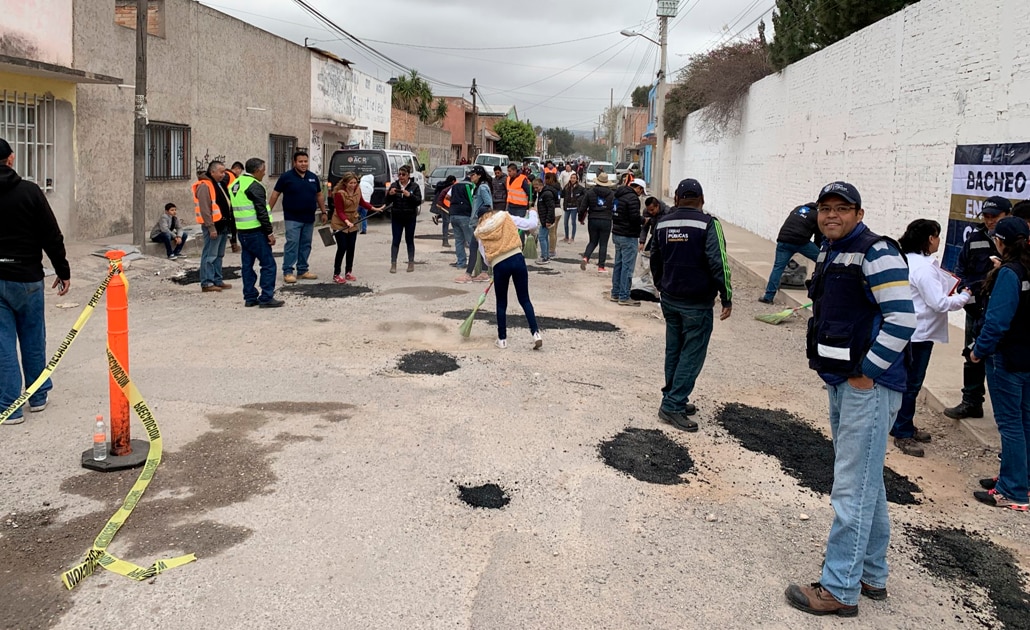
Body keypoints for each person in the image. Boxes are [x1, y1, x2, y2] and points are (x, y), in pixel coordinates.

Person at [785, 181, 915, 618]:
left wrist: (867, 373)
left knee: (850, 488)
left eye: (842, 208)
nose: (832, 215)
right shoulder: (830, 249)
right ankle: (872, 574)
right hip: (842, 380)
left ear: (859, 213)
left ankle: (839, 588)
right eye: (825, 208)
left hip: (868, 387)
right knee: (865, 481)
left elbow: (901, 318)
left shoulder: (876, 251)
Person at [649, 178, 732, 433]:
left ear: (676, 199)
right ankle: (672, 404)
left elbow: (654, 257)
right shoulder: (709, 224)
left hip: (670, 299)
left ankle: (674, 397)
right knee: (691, 354)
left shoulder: (662, 223)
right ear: (702, 200)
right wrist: (726, 296)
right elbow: (719, 262)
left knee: (674, 349)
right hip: (696, 303)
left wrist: (661, 284)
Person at [0, 138, 70, 425]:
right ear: (12, 158)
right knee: (32, 337)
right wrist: (62, 270)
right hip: (27, 277)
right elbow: (51, 235)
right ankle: (38, 396)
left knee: (2, 345)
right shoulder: (30, 192)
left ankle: (9, 407)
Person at [890, 219, 971, 457]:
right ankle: (902, 433)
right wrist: (964, 296)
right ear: (929, 239)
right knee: (911, 385)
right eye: (937, 236)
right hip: (919, 334)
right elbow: (939, 303)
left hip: (908, 329)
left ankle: (903, 425)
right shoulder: (924, 268)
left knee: (906, 383)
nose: (938, 241)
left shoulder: (906, 260)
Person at [969, 216, 1030, 511]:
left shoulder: (1010, 274)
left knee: (1010, 424)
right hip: (1026, 357)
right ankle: (1020, 479)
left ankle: (1012, 490)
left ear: (1001, 242)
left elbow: (997, 321)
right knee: (1025, 421)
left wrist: (979, 351)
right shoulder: (1024, 270)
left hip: (1007, 358)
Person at [945, 196, 1011, 419]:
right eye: (987, 216)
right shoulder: (974, 239)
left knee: (1003, 359)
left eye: (996, 217)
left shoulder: (1014, 241)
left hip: (1002, 310)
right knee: (972, 354)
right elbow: (961, 267)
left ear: (1008, 215)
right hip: (976, 310)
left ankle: (1008, 410)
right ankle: (972, 402)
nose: (990, 221)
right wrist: (965, 290)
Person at [474, 207, 542, 350]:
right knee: (524, 299)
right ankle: (536, 333)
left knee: (501, 303)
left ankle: (502, 340)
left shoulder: (480, 232)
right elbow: (531, 225)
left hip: (499, 264)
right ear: (491, 211)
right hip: (517, 258)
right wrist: (533, 212)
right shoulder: (505, 217)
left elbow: (486, 259)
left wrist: (496, 261)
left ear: (479, 218)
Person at [229, 158, 282, 308]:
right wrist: (269, 233)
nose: (265, 173)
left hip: (242, 231)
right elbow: (261, 212)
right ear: (257, 170)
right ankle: (266, 297)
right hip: (256, 231)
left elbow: (234, 210)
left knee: (247, 265)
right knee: (268, 264)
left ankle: (250, 297)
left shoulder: (235, 184)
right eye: (264, 170)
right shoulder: (255, 186)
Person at [269, 150, 327, 284]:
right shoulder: (286, 177)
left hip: (309, 218)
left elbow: (319, 195)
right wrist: (268, 211)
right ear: (294, 163)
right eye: (300, 161)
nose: (303, 164)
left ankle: (302, 270)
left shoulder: (313, 177)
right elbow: (275, 194)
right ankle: (288, 271)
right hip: (292, 217)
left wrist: (324, 212)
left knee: (306, 244)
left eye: (305, 161)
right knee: (292, 243)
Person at [760, 202, 822, 304]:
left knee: (778, 268)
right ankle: (822, 286)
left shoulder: (797, 209)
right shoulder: (816, 215)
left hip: (783, 240)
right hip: (800, 241)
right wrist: (818, 249)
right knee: (822, 260)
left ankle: (768, 297)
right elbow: (818, 236)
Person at [330, 173, 383, 284]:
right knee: (342, 247)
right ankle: (336, 273)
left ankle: (348, 271)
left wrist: (375, 208)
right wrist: (346, 221)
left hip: (353, 221)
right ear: (345, 183)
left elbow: (362, 202)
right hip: (340, 222)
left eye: (355, 183)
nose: (353, 185)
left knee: (351, 248)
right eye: (351, 183)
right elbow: (339, 211)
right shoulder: (340, 194)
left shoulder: (357, 190)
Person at [193, 161, 232, 293]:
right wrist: (211, 227)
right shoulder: (205, 186)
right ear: (212, 172)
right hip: (213, 226)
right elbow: (205, 209)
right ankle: (207, 282)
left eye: (224, 171)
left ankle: (217, 279)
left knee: (219, 255)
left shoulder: (218, 184)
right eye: (221, 172)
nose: (223, 174)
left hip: (222, 224)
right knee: (210, 255)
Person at [454, 165, 493, 283]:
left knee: (474, 248)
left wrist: (479, 216)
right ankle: (484, 272)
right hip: (478, 223)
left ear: (479, 175)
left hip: (480, 223)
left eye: (473, 175)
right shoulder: (479, 187)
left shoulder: (482, 188)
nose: (471, 177)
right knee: (480, 248)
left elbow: (488, 205)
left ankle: (468, 274)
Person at [610, 178, 644, 305]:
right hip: (628, 235)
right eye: (641, 191)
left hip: (617, 233)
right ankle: (624, 296)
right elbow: (634, 217)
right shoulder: (632, 198)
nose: (641, 194)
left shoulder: (618, 195)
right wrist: (643, 220)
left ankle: (615, 293)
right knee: (627, 267)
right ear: (638, 188)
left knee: (618, 264)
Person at [386, 164, 422, 273]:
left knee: (409, 240)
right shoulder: (394, 185)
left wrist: (409, 196)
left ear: (408, 175)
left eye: (403, 175)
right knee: (396, 240)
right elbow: (387, 201)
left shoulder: (414, 186)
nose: (401, 177)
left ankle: (411, 263)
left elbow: (418, 201)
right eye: (399, 174)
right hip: (397, 216)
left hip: (410, 217)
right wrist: (390, 194)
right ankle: (393, 264)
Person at [578, 171, 615, 273]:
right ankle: (601, 267)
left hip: (593, 219)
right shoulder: (612, 194)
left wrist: (581, 219)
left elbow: (583, 207)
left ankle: (586, 257)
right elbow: (614, 208)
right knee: (603, 244)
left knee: (593, 241)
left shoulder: (590, 192)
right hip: (606, 220)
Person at [532, 173, 560, 264]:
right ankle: (546, 255)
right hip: (544, 219)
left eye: (536, 187)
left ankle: (544, 257)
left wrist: (548, 220)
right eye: (534, 188)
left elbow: (550, 208)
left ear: (541, 185)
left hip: (546, 220)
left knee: (541, 237)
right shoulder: (542, 193)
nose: (535, 190)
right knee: (544, 237)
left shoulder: (546, 194)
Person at [431, 174, 456, 248]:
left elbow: (436, 193)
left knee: (446, 222)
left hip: (440, 203)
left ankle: (437, 216)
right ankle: (445, 241)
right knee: (446, 223)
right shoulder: (450, 187)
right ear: (453, 181)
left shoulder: (441, 184)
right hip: (445, 204)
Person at [562, 172, 585, 244]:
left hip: (574, 207)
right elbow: (562, 194)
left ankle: (572, 237)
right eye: (571, 178)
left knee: (573, 222)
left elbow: (585, 194)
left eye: (574, 178)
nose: (572, 179)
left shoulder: (580, 188)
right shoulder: (567, 186)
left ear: (577, 179)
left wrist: (579, 199)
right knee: (565, 222)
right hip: (567, 206)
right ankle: (566, 236)